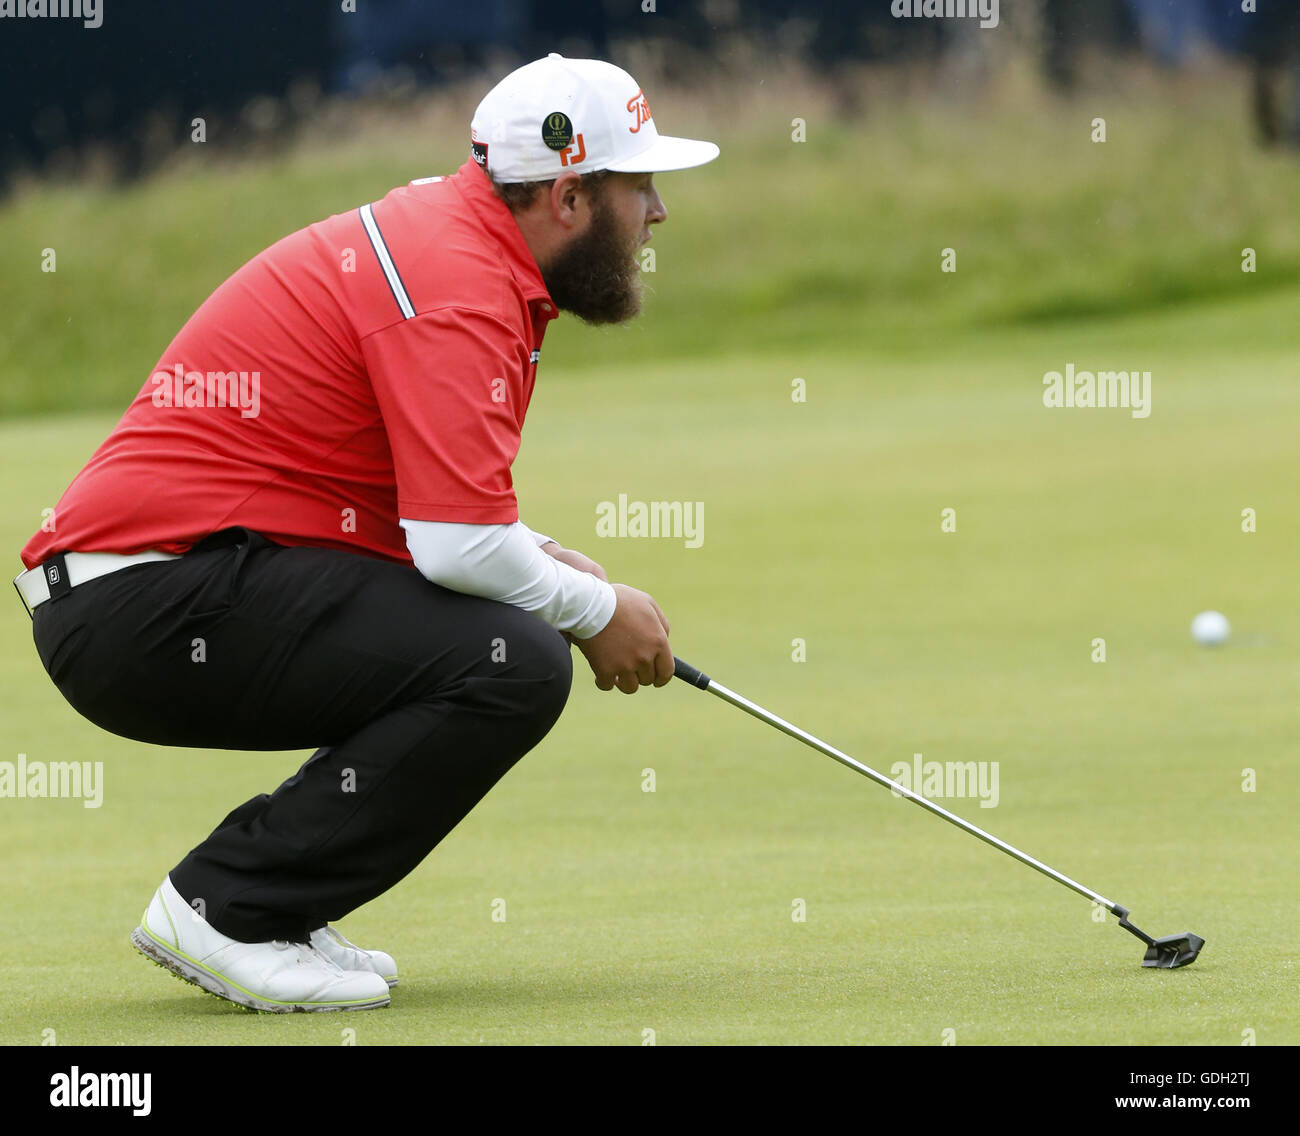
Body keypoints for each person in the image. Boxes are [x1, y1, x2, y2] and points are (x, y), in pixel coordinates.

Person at [14, 54, 719, 1013]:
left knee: (496, 626)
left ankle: (276, 908)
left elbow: (430, 504)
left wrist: (538, 556)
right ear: (567, 195)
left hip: (156, 587)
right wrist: (598, 611)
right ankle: (229, 908)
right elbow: (457, 544)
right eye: (641, 186)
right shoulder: (461, 282)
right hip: (142, 602)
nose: (658, 214)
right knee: (511, 658)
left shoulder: (459, 244)